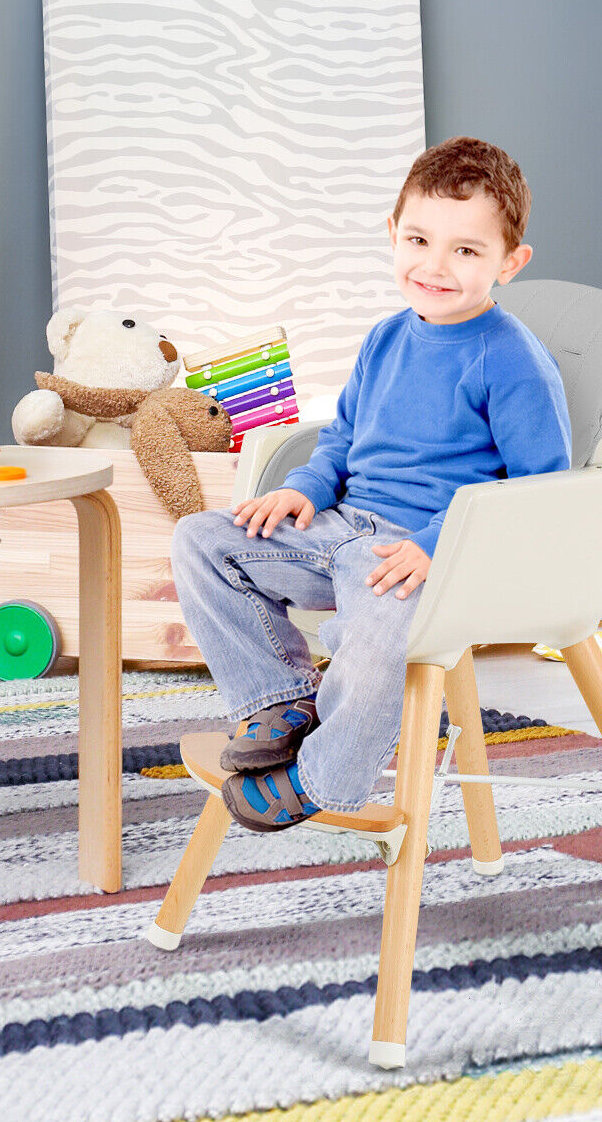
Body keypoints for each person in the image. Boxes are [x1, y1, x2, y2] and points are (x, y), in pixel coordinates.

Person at [170, 136, 572, 831]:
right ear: (393, 234)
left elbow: (540, 488)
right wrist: (305, 488)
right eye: (418, 239)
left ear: (510, 262)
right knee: (202, 541)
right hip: (344, 531)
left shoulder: (510, 362)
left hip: (421, 556)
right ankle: (283, 697)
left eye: (466, 251)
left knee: (382, 626)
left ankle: (326, 774)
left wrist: (441, 545)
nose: (435, 266)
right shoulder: (387, 337)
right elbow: (343, 442)